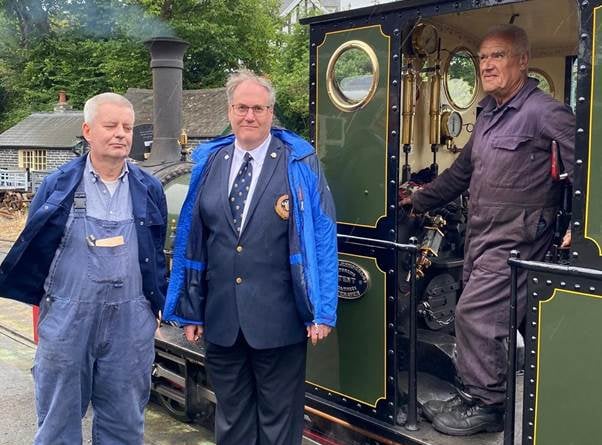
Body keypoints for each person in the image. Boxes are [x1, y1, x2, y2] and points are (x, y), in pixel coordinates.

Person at [402, 25, 574, 436]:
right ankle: (473, 391)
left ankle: (487, 404)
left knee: (475, 315)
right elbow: (461, 173)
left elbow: (586, 171)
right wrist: (419, 199)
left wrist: (581, 228)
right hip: (483, 235)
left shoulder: (547, 113)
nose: (487, 65)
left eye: (497, 56)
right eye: (482, 59)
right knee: (487, 318)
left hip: (520, 239)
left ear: (522, 61)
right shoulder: (488, 116)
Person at [163, 69, 338, 445]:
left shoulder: (298, 161)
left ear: (271, 113)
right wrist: (192, 310)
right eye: (242, 107)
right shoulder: (210, 161)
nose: (250, 116)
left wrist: (322, 309)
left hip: (281, 319)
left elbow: (321, 235)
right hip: (222, 320)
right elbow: (195, 243)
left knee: (279, 425)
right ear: (229, 111)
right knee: (231, 422)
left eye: (258, 108)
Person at [0, 92, 168, 444]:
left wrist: (156, 304)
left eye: (127, 127)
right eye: (111, 126)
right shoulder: (58, 185)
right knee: (58, 421)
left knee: (124, 423)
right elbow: (37, 247)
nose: (121, 133)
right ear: (88, 130)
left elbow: (155, 251)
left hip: (129, 323)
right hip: (68, 318)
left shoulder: (149, 189)